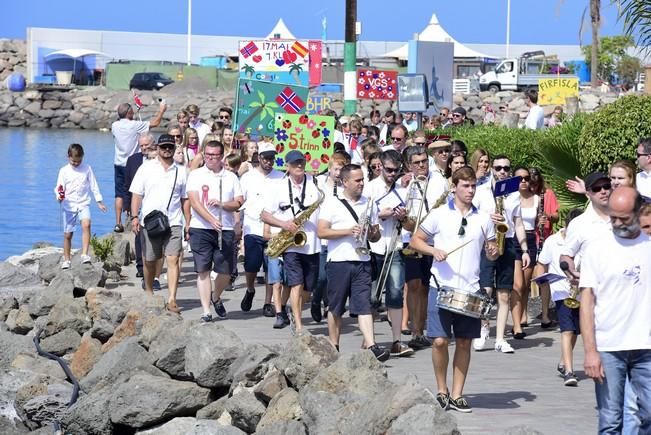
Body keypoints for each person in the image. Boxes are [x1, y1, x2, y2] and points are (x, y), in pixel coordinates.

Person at [409, 166, 498, 413]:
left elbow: (492, 251)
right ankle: (441, 389)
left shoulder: (483, 219)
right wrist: (432, 250)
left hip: (470, 289)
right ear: (454, 186)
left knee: (464, 342)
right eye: (465, 186)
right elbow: (415, 240)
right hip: (442, 286)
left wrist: (493, 252)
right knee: (438, 341)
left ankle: (457, 393)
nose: (470, 190)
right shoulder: (439, 214)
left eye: (473, 186)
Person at [580, 186, 651, 434]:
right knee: (611, 420)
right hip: (609, 347)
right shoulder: (597, 248)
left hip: (646, 346)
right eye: (613, 218)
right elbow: (587, 302)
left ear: (639, 211)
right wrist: (590, 351)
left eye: (624, 218)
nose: (618, 223)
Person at [317, 164, 389, 361]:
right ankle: (334, 345)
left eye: (363, 179)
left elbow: (375, 237)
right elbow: (322, 231)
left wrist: (372, 232)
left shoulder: (369, 203)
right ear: (345, 182)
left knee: (364, 304)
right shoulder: (332, 203)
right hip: (339, 260)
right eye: (357, 180)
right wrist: (348, 231)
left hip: (362, 259)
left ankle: (372, 345)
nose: (361, 184)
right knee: (336, 306)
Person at [261, 150, 322, 335]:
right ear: (287, 166)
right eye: (295, 163)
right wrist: (284, 224)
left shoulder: (315, 184)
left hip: (312, 243)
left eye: (302, 162)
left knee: (307, 288)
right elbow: (264, 215)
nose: (299, 166)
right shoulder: (278, 188)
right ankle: (299, 325)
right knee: (296, 284)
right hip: (290, 245)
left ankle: (293, 310)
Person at [473, 155, 530, 352]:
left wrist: (524, 250)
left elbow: (519, 222)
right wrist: (488, 217)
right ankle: (483, 330)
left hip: (507, 241)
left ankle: (500, 339)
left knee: (504, 293)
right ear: (492, 170)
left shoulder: (514, 194)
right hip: (488, 242)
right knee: (486, 290)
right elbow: (472, 217)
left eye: (506, 168)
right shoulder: (481, 191)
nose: (502, 172)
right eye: (498, 168)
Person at [130, 134, 190, 312]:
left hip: (174, 221)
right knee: (150, 260)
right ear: (157, 148)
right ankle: (149, 292)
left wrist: (188, 222)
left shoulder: (181, 171)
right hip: (150, 221)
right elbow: (136, 194)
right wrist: (134, 217)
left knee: (173, 258)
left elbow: (185, 199)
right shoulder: (146, 168)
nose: (167, 150)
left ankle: (172, 299)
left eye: (170, 147)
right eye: (163, 147)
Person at [364, 150, 414, 357]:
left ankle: (396, 341)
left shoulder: (403, 191)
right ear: (380, 167)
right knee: (371, 296)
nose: (392, 174)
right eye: (388, 170)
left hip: (394, 245)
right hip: (373, 246)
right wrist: (380, 214)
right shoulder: (369, 188)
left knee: (395, 292)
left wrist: (402, 218)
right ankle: (369, 341)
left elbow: (411, 224)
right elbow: (362, 214)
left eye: (396, 170)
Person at [186, 140, 243, 322]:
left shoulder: (231, 177)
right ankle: (206, 311)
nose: (211, 158)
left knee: (226, 271)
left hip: (225, 228)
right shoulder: (196, 175)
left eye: (215, 156)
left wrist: (223, 205)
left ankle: (215, 296)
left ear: (221, 157)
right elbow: (194, 202)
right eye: (208, 155)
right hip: (201, 227)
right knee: (203, 270)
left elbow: (239, 202)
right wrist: (211, 220)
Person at [536, 208, 583, 387]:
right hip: (561, 291)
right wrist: (541, 280)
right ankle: (569, 372)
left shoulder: (584, 241)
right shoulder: (553, 241)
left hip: (581, 291)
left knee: (575, 331)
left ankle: (563, 362)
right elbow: (542, 263)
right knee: (567, 330)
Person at [401, 146, 441, 350]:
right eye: (416, 163)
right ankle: (415, 330)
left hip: (433, 241)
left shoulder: (438, 180)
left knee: (425, 287)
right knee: (413, 285)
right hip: (412, 238)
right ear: (409, 165)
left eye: (424, 161)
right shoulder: (406, 185)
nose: (421, 165)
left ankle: (422, 329)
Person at [240, 142, 284, 320]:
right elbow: (239, 202)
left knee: (270, 267)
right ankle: (250, 289)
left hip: (273, 229)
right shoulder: (248, 177)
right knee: (251, 265)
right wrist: (237, 226)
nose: (269, 161)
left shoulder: (281, 177)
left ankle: (268, 302)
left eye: (272, 158)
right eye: (266, 157)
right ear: (259, 157)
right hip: (252, 226)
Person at [111, 100, 166, 233]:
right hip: (133, 163)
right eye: (132, 112)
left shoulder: (114, 125)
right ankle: (136, 216)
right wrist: (161, 110)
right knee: (137, 190)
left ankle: (118, 223)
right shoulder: (135, 125)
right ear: (129, 113)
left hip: (118, 162)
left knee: (119, 193)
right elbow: (155, 122)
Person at [55, 143, 107, 269]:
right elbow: (59, 188)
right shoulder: (64, 171)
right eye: (74, 161)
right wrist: (59, 196)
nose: (76, 164)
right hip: (69, 205)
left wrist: (99, 201)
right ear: (68, 157)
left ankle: (84, 254)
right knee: (68, 234)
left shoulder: (87, 168)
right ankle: (67, 260)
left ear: (83, 158)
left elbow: (93, 185)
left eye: (79, 161)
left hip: (83, 202)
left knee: (86, 224)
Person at [313, 152, 350, 322]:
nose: (337, 173)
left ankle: (328, 304)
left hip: (337, 237)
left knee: (332, 277)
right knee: (321, 277)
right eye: (335, 169)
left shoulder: (344, 189)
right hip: (321, 237)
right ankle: (316, 299)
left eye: (341, 170)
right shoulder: (318, 183)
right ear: (329, 169)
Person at [125, 134, 157, 279]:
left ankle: (154, 266)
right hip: (137, 202)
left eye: (146, 145)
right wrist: (128, 205)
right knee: (139, 235)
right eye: (141, 145)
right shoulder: (133, 160)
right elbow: (127, 185)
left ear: (153, 144)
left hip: (154, 202)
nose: (144, 148)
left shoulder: (159, 159)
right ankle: (140, 266)